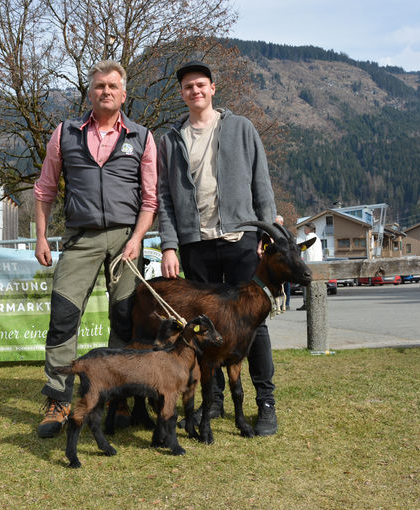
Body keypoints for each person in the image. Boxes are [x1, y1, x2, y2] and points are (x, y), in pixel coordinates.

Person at [33, 60, 158, 439]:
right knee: (63, 316)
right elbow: (44, 190)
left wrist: (136, 239)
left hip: (125, 240)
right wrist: (40, 236)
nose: (106, 91)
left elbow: (150, 200)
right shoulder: (65, 133)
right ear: (90, 92)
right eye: (99, 85)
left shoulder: (142, 136)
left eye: (113, 86)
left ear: (124, 93)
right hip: (81, 238)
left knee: (124, 320)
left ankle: (118, 396)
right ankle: (59, 399)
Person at [157, 60, 279, 436]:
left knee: (250, 326)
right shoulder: (170, 140)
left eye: (201, 85)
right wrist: (169, 246)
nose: (195, 91)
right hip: (196, 245)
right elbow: (163, 198)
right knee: (204, 329)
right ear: (182, 94)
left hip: (241, 239)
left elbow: (262, 183)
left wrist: (268, 231)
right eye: (188, 87)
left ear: (212, 89)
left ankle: (266, 402)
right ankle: (214, 400)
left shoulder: (242, 128)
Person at [296, 223, 322, 311]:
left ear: (308, 229)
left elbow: (309, 253)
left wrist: (306, 265)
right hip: (318, 263)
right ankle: (315, 302)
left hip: (310, 263)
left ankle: (306, 303)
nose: (304, 230)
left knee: (306, 284)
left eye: (305, 228)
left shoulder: (308, 238)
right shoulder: (318, 238)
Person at [275, 215, 291, 312]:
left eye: (277, 222)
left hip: (285, 262)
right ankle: (276, 306)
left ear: (282, 223)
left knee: (286, 285)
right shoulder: (274, 233)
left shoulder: (286, 234)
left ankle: (286, 304)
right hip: (277, 262)